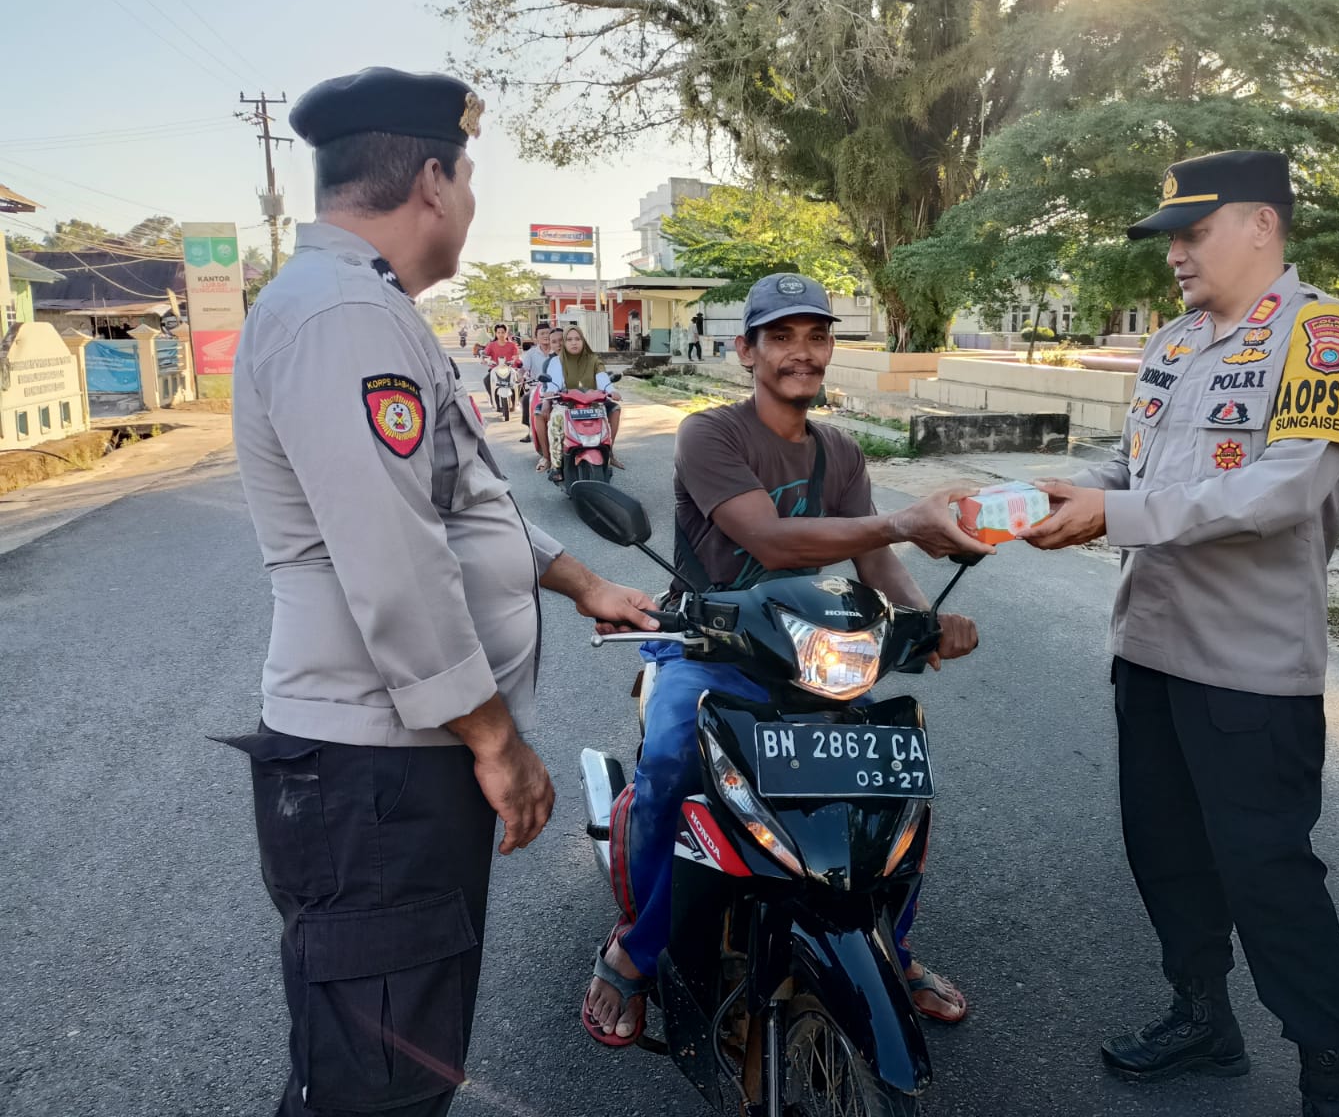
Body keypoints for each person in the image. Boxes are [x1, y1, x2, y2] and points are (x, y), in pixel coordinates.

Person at [225, 66, 659, 1117]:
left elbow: (469, 505)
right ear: (431, 179)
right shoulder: (342, 318)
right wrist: (496, 739)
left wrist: (579, 579)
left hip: (388, 766)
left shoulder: (369, 308)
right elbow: (395, 554)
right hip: (378, 771)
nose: (469, 206)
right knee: (375, 1090)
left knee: (387, 1067)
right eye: (467, 182)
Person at [1020, 150, 1339, 1117]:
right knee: (1165, 852)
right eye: (1170, 235)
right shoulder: (1172, 345)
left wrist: (1116, 515)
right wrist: (1068, 495)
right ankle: (1202, 1018)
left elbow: (1286, 487)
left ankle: (1327, 1071)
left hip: (1252, 669)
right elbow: (1137, 469)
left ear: (1262, 224)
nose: (1175, 252)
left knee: (1270, 877)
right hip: (1150, 653)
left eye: (1194, 231)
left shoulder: (1324, 334)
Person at [581, 272, 990, 1047]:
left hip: (808, 656)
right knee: (669, 764)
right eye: (782, 338)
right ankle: (634, 949)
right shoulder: (712, 433)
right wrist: (902, 522)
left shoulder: (839, 450)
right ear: (747, 351)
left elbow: (875, 562)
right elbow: (767, 539)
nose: (802, 353)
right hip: (710, 646)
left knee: (895, 777)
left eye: (816, 337)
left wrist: (925, 623)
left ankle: (889, 948)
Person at [540, 324, 624, 476]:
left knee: (605, 421)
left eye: (577, 339)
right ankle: (556, 465)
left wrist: (611, 390)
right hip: (567, 405)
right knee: (556, 420)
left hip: (592, 404)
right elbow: (554, 381)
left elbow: (602, 379)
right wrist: (551, 391)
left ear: (583, 341)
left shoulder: (593, 360)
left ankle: (607, 454)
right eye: (569, 339)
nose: (574, 342)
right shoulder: (557, 361)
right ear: (564, 343)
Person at [520, 323, 556, 449]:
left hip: (555, 387)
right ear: (536, 338)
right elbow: (523, 368)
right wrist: (520, 375)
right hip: (536, 387)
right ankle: (531, 430)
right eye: (542, 334)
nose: (546, 336)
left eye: (548, 333)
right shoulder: (531, 353)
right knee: (526, 399)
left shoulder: (558, 350)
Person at [481, 322, 520, 397]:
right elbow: (485, 354)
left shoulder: (512, 345)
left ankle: (516, 398)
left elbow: (516, 356)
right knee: (486, 380)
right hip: (495, 369)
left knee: (519, 380)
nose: (501, 334)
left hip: (510, 369)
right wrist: (484, 359)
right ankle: (493, 398)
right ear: (495, 334)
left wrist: (516, 360)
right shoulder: (491, 345)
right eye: (498, 332)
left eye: (503, 332)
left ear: (506, 333)